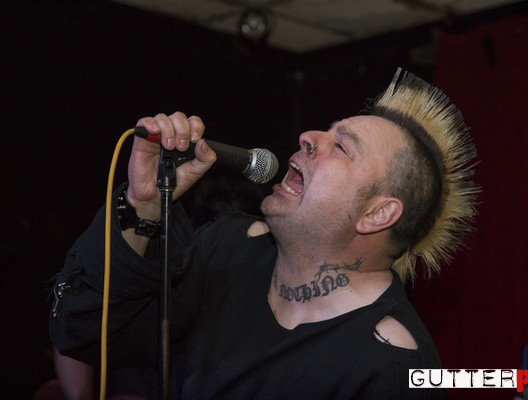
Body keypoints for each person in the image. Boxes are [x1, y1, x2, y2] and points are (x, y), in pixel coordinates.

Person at [50, 69, 478, 399]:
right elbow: (83, 330)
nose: (308, 137)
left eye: (341, 147)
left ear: (377, 213)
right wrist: (143, 205)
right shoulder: (229, 250)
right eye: (325, 130)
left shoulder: (392, 369)